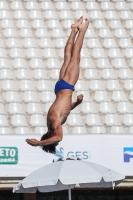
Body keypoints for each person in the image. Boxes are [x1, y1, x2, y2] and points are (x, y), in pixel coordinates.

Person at [26, 16, 90, 153]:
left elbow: (59, 137)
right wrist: (77, 103)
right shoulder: (55, 121)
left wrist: (39, 143)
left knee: (75, 56)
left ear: (49, 137)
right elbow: (65, 108)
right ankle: (74, 30)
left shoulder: (54, 124)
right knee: (68, 57)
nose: (56, 138)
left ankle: (82, 30)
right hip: (60, 87)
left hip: (66, 86)